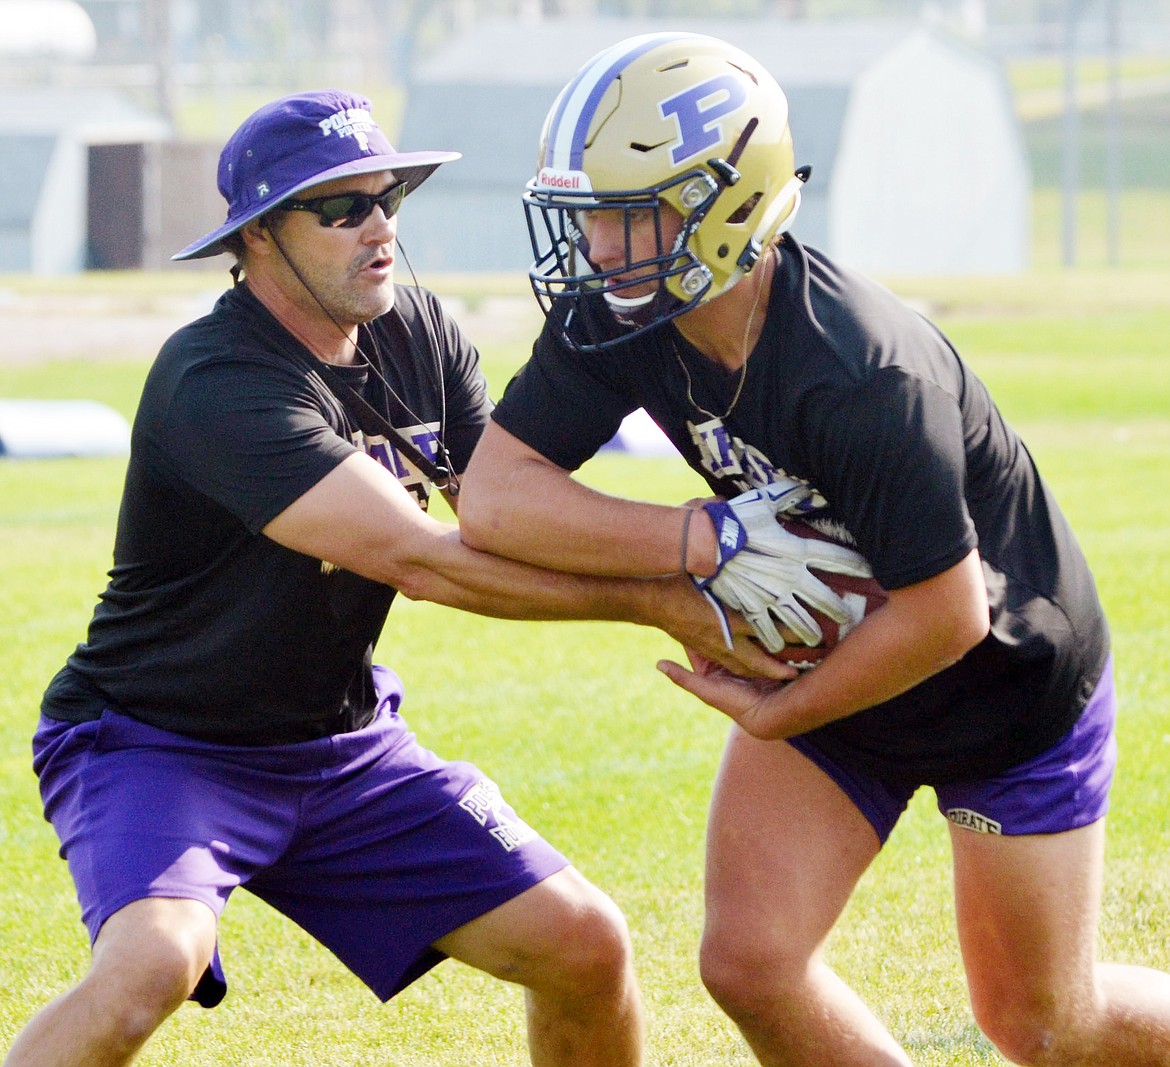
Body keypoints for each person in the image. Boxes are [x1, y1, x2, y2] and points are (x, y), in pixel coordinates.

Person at [2, 88, 782, 1067]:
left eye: (389, 198)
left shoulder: (416, 333)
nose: (378, 226)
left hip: (342, 748)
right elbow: (422, 559)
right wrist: (668, 597)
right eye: (340, 207)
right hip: (159, 745)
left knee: (586, 943)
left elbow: (503, 516)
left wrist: (716, 558)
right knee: (151, 964)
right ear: (256, 240)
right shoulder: (217, 381)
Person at [458, 32, 1170, 1067]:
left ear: (727, 205)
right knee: (748, 960)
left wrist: (783, 707)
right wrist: (695, 536)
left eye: (627, 215)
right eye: (590, 218)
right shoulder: (625, 313)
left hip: (1001, 681)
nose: (602, 250)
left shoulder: (861, 373)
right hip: (844, 652)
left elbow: (948, 612)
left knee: (1045, 1024)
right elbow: (495, 496)